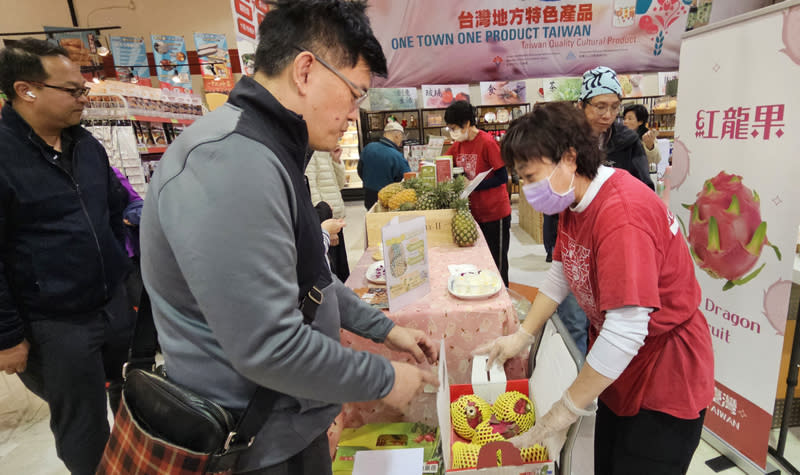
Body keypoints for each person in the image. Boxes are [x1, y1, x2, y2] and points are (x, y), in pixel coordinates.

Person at [139, 2, 439, 474]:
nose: (352, 113)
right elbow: (269, 345)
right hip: (246, 442)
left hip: (283, 424)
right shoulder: (230, 164)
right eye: (355, 93)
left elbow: (310, 279)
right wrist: (385, 379)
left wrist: (386, 329)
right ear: (305, 70)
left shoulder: (270, 148)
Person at [477, 102, 714, 474]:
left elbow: (626, 331)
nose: (525, 188)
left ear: (569, 158)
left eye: (529, 176)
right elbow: (561, 273)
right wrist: (522, 335)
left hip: (663, 378)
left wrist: (564, 411)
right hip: (618, 371)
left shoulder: (622, 216)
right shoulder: (573, 200)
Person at [0, 39, 135, 475]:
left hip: (112, 306)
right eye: (73, 90)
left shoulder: (86, 146)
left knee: (134, 402)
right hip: (55, 323)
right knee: (82, 425)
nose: (84, 98)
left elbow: (116, 209)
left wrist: (124, 275)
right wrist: (6, 336)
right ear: (27, 90)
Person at [444, 100, 512, 286]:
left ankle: (503, 298)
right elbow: (444, 162)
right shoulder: (458, 145)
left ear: (467, 124)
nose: (452, 132)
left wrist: (473, 185)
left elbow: (502, 177)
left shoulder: (487, 142)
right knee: (478, 260)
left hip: (494, 213)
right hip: (472, 214)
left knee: (496, 261)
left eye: (454, 128)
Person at [579, 66, 654, 190]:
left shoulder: (629, 141)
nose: (608, 115)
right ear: (581, 106)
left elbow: (645, 189)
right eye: (600, 107)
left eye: (614, 107)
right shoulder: (566, 140)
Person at [306, 146, 350, 281]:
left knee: (340, 268)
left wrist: (336, 161)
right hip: (326, 222)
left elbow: (340, 184)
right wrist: (324, 227)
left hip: (335, 220)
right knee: (332, 271)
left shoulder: (324, 151)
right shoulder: (311, 153)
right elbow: (311, 191)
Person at [358, 120, 409, 209]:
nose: (401, 140)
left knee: (372, 219)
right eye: (402, 137)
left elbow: (360, 170)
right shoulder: (397, 156)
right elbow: (406, 180)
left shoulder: (368, 147)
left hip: (368, 196)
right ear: (397, 136)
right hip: (388, 200)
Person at [622, 103, 661, 168]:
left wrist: (650, 147)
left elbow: (655, 160)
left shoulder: (647, 136)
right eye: (624, 118)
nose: (625, 122)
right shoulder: (621, 135)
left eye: (629, 119)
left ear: (640, 122)